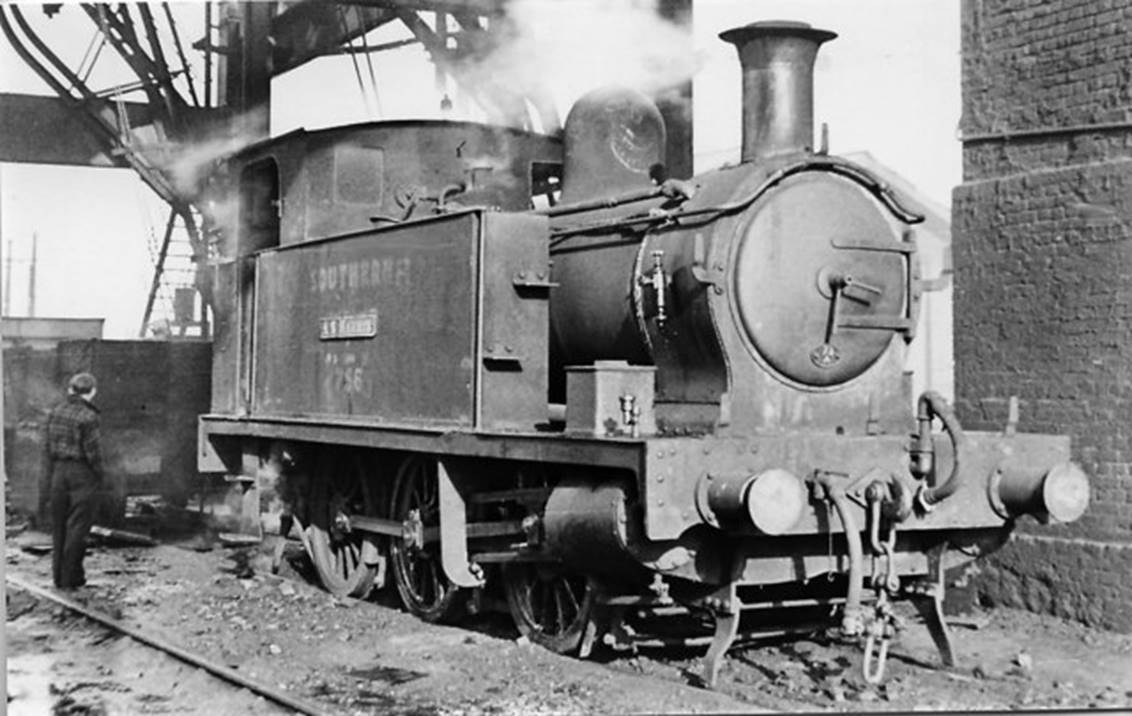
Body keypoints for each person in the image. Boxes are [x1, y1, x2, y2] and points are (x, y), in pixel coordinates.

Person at [43, 372, 105, 590]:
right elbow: (94, 453)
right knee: (77, 528)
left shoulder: (55, 412)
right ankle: (71, 580)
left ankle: (59, 579)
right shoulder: (89, 417)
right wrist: (101, 475)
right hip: (82, 474)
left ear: (71, 389)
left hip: (59, 473)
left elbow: (47, 448)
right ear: (92, 392)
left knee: (59, 527)